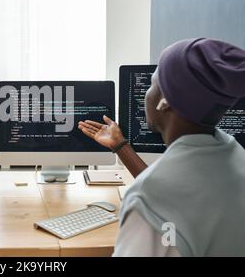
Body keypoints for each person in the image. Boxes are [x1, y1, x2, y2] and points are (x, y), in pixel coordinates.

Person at [79, 38, 245, 257]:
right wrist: (120, 145)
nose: (146, 94)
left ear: (164, 101)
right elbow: (182, 190)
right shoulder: (236, 155)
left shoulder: (147, 200)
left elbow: (164, 193)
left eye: (151, 84)